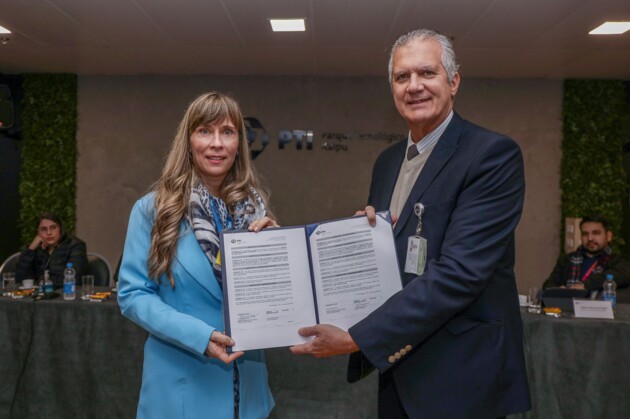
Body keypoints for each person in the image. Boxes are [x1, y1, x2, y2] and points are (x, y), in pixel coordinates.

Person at [290, 29, 531, 418]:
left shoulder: (491, 155)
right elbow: (399, 259)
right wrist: (363, 241)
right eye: (402, 77)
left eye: (427, 73)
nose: (414, 86)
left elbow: (460, 273)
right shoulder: (387, 162)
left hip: (463, 376)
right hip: (401, 367)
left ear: (453, 82)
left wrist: (357, 337)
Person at [117, 92, 277, 419]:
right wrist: (200, 337)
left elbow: (270, 300)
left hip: (248, 394)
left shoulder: (255, 207)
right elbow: (133, 295)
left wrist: (277, 253)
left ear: (239, 143)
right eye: (205, 131)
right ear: (188, 140)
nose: (216, 143)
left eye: (227, 132)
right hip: (182, 390)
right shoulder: (153, 210)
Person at [543, 215, 630, 292]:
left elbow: (622, 275)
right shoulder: (566, 260)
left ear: (608, 236)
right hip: (567, 308)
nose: (590, 238)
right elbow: (548, 286)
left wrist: (585, 285)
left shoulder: (618, 260)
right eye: (585, 234)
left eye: (596, 233)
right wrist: (558, 290)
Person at [16, 212, 88, 287]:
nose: (49, 233)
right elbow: (20, 279)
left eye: (53, 227)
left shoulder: (76, 246)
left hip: (66, 295)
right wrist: (31, 249)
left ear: (60, 229)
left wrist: (40, 283)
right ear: (38, 232)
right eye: (43, 229)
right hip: (38, 295)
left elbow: (73, 279)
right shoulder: (36, 249)